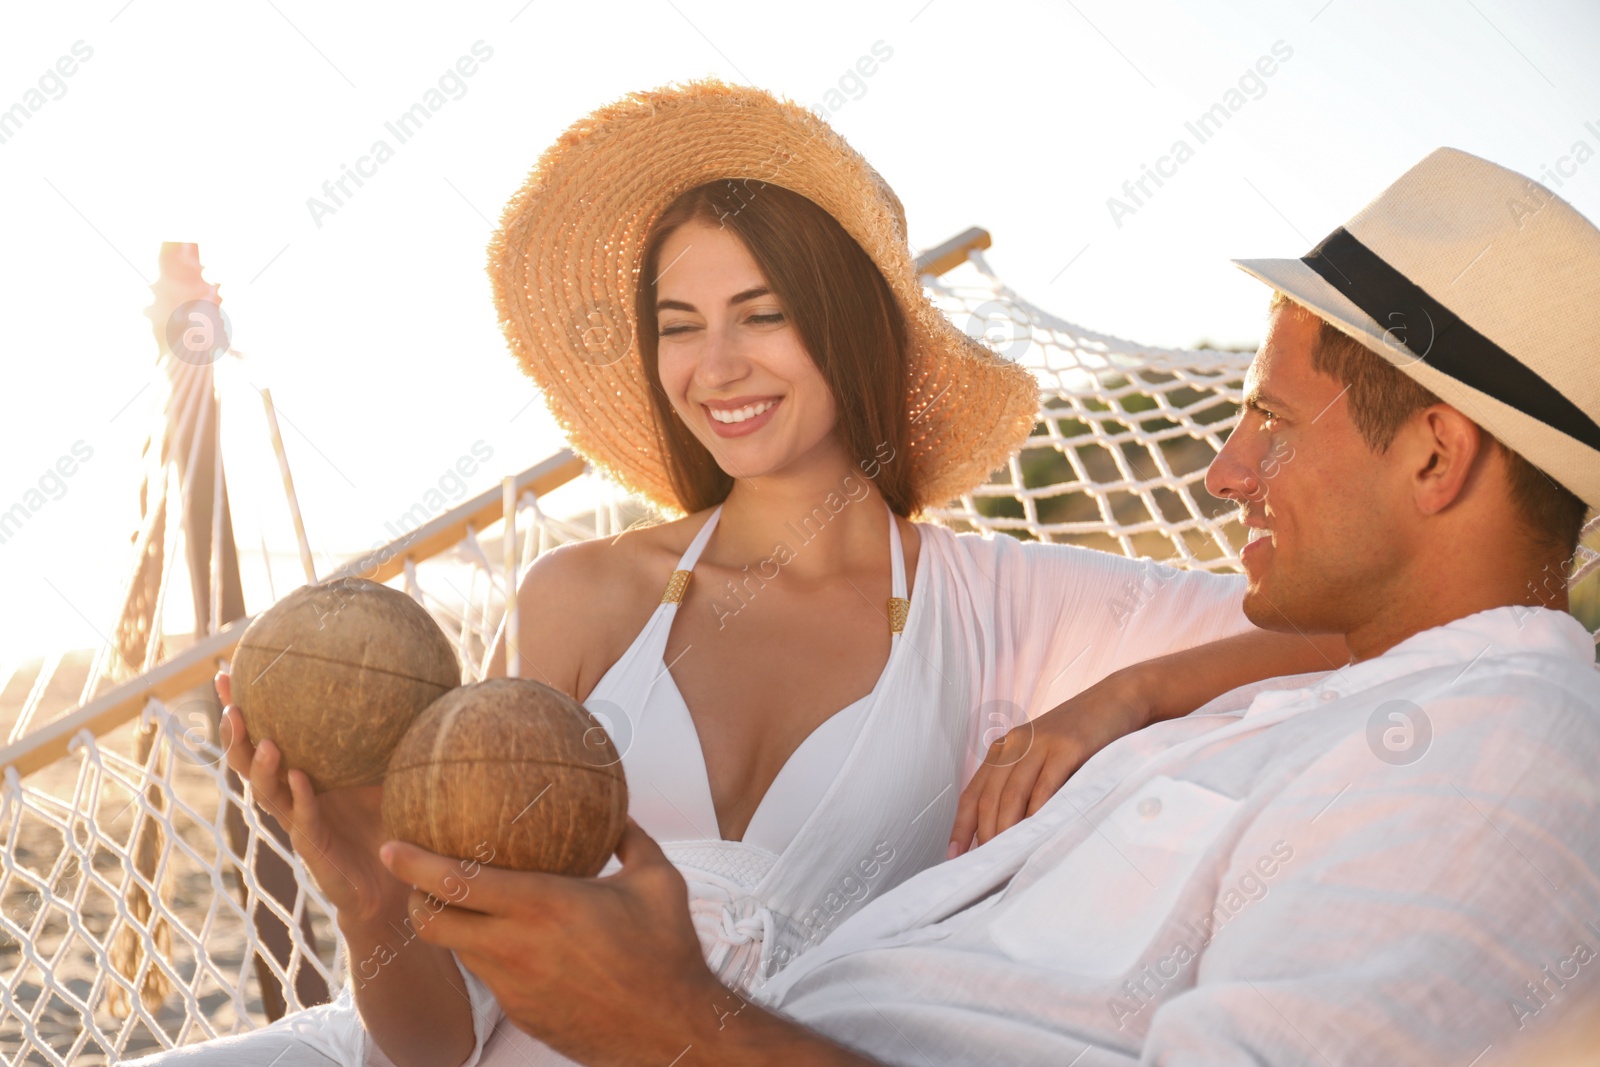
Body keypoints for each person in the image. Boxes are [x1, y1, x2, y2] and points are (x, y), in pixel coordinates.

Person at [130, 82, 1344, 1067]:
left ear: (849, 323)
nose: (715, 366)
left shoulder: (1005, 610)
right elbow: (445, 1040)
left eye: (760, 313)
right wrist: (369, 899)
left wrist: (1116, 696)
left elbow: (1363, 629)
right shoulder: (583, 597)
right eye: (677, 321)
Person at [380, 145, 1600, 1065]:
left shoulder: (1500, 758)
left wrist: (675, 1025)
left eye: (1271, 423)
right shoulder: (1370, 704)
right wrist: (1124, 698)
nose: (1220, 471)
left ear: (1437, 458)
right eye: (680, 325)